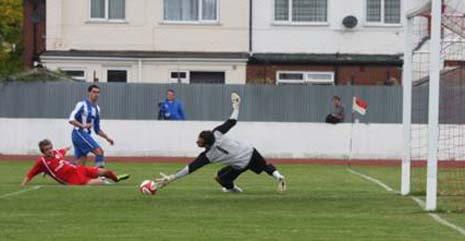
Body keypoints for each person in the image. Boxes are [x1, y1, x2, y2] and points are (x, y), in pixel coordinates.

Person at [155, 93, 287, 193]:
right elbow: (232, 121)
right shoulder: (216, 133)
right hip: (249, 151)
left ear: (206, 144)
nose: (197, 141)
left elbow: (190, 168)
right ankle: (279, 177)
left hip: (240, 164)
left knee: (220, 178)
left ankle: (234, 189)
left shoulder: (208, 156)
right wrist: (236, 106)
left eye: (200, 141)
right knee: (265, 166)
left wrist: (172, 178)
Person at [21, 139, 129, 186]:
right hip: (73, 180)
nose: (50, 150)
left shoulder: (56, 152)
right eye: (47, 149)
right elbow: (30, 174)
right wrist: (22, 185)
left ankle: (116, 178)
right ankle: (104, 182)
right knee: (101, 182)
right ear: (43, 151)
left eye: (50, 148)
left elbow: (63, 150)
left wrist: (68, 148)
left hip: (79, 169)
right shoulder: (42, 162)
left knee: (107, 172)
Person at [69, 84, 114, 167]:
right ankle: (100, 176)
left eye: (98, 92)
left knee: (80, 163)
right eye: (94, 92)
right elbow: (71, 119)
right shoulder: (82, 104)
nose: (96, 94)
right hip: (79, 133)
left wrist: (107, 138)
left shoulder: (97, 109)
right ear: (89, 93)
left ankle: (56, 165)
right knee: (99, 151)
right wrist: (82, 126)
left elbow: (97, 130)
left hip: (84, 135)